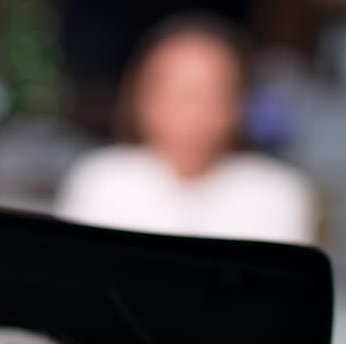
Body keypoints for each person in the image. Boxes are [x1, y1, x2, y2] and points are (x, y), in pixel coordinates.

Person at [55, 14, 316, 244]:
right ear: (138, 96)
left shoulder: (276, 193)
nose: (191, 109)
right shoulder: (102, 179)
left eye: (207, 92)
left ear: (238, 103)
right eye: (175, 90)